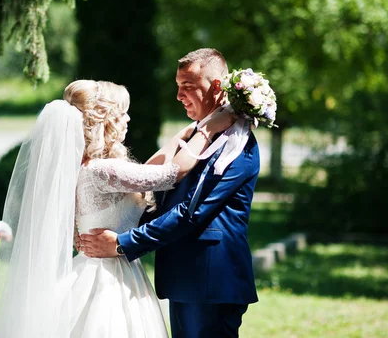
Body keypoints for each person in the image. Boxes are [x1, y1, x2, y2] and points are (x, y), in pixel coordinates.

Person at [0, 79, 235, 337]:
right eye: (122, 113)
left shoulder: (88, 167)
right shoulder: (103, 170)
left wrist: (185, 134)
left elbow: (145, 171)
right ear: (106, 120)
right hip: (112, 274)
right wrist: (207, 132)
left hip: (94, 265)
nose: (128, 119)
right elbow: (169, 174)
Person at [81, 48, 260, 337]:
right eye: (177, 87)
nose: (179, 96)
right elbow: (156, 184)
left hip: (211, 278)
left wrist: (123, 242)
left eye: (187, 87)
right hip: (185, 276)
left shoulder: (236, 143)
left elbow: (191, 211)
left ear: (216, 87)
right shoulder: (196, 135)